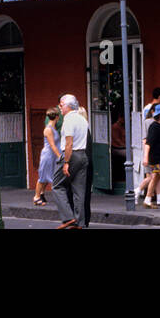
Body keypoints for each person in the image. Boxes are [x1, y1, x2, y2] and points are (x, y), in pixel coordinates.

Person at [51, 94, 90, 229]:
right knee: (79, 192)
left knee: (57, 186)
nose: (59, 108)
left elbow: (69, 144)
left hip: (71, 155)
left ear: (67, 106)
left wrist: (66, 162)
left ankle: (68, 217)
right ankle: (81, 223)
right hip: (82, 155)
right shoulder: (83, 120)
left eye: (61, 105)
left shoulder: (68, 120)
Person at [137, 87, 160, 205]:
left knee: (156, 175)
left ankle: (156, 197)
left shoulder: (146, 108)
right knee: (152, 175)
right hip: (152, 146)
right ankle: (138, 191)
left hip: (152, 146)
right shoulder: (153, 117)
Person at [34, 107, 61, 206]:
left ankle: (41, 194)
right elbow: (52, 145)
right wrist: (60, 156)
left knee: (47, 175)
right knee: (42, 176)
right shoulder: (48, 129)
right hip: (48, 155)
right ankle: (36, 197)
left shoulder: (53, 128)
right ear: (57, 117)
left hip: (52, 155)